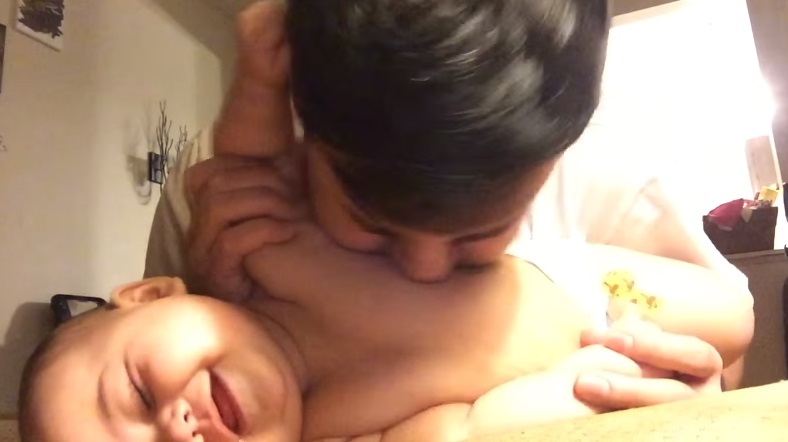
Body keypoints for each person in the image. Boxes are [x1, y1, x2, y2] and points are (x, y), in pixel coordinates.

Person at [144, 0, 752, 408]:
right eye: (372, 224)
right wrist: (214, 303)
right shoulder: (229, 201)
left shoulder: (608, 173)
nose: (426, 269)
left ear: (554, 159)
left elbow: (730, 343)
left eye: (480, 233)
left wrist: (695, 403)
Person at [20, 235, 752, 441]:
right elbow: (464, 427)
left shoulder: (257, 251)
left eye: (135, 391)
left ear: (150, 294)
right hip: (598, 352)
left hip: (568, 277)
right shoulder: (341, 433)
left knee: (735, 311)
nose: (176, 429)